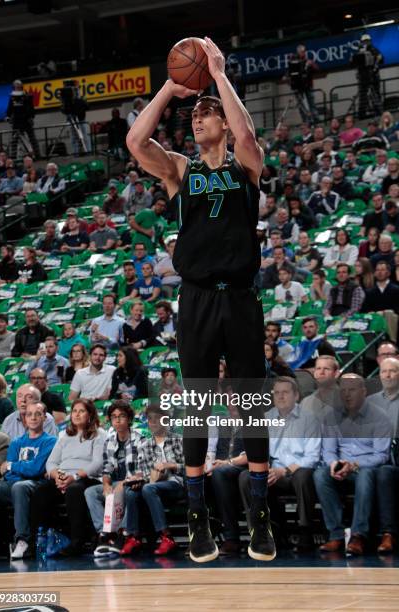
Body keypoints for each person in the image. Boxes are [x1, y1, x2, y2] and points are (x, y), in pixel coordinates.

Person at [127, 36, 275, 563]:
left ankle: (259, 516)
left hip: (239, 297)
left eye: (206, 114)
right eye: (196, 115)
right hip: (195, 299)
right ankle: (197, 518)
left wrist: (217, 75)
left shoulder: (244, 168)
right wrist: (171, 86)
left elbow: (246, 134)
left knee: (251, 405)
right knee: (194, 406)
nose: (198, 120)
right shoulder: (180, 172)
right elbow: (136, 141)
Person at [240, 377, 321, 551]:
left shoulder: (309, 419)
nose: (280, 396)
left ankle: (305, 532)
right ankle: (263, 531)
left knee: (304, 475)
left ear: (296, 395)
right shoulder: (266, 418)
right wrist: (265, 469)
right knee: (247, 477)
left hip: (296, 472)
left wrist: (283, 470)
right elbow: (258, 451)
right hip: (272, 471)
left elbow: (313, 456)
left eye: (285, 392)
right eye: (276, 393)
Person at [314, 374, 391, 555]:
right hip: (341, 468)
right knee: (319, 474)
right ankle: (336, 535)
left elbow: (381, 455)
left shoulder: (380, 417)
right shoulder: (331, 417)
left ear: (363, 392)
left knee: (366, 475)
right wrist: (334, 464)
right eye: (343, 391)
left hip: (365, 468)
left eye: (352, 390)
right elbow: (329, 451)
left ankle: (358, 535)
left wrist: (354, 464)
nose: (347, 395)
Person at [32, 398, 106, 557]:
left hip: (86, 477)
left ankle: (77, 541)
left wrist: (74, 476)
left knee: (74, 490)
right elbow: (51, 462)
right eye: (74, 411)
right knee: (41, 490)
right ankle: (49, 535)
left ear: (90, 414)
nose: (77, 414)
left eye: (82, 411)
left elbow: (97, 463)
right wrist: (57, 476)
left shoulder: (99, 435)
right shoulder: (64, 434)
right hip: (63, 477)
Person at [0, 401, 56, 560]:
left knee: (19, 487)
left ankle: (22, 540)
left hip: (36, 485)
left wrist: (13, 466)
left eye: (37, 414)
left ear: (45, 418)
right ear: (24, 419)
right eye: (29, 414)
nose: (33, 417)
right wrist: (19, 469)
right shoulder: (16, 442)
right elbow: (7, 474)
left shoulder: (50, 441)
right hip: (15, 484)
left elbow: (37, 469)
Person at [85, 401, 144, 558]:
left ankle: (122, 533)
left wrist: (123, 483)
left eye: (122, 416)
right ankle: (104, 533)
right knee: (90, 492)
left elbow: (141, 471)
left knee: (128, 492)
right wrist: (105, 484)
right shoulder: (109, 441)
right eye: (114, 417)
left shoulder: (140, 440)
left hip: (132, 483)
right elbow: (107, 469)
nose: (117, 420)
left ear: (129, 419)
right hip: (115, 484)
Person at [138, 406, 185, 555]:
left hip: (177, 484)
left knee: (148, 489)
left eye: (157, 418)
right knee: (133, 493)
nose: (153, 422)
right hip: (154, 486)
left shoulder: (178, 439)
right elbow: (145, 473)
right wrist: (152, 475)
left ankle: (166, 536)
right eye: (150, 419)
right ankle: (131, 537)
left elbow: (190, 467)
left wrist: (171, 465)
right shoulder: (144, 445)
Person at [367, 358, 399, 553]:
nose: (387, 375)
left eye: (392, 371)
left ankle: (388, 533)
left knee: (385, 473)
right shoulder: (370, 401)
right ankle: (364, 534)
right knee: (371, 473)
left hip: (395, 455)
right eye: (384, 371)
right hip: (374, 455)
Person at [351, 34, 383, 119]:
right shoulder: (358, 52)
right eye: (364, 41)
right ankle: (362, 114)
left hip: (373, 75)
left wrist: (377, 60)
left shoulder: (374, 50)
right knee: (363, 95)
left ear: (370, 41)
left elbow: (381, 59)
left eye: (367, 41)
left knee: (376, 94)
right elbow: (352, 63)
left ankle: (378, 112)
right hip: (363, 77)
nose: (366, 42)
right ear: (361, 42)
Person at [6, 79, 40, 159]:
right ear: (14, 87)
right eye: (16, 86)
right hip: (17, 122)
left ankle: (38, 155)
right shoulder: (12, 97)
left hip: (26, 121)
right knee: (14, 140)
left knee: (32, 139)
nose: (17, 87)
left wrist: (31, 117)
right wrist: (8, 116)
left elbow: (31, 109)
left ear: (21, 86)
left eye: (19, 86)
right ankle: (13, 157)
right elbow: (10, 108)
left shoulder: (27, 96)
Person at [286, 44, 319, 124]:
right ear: (298, 52)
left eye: (304, 51)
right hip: (298, 87)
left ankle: (315, 118)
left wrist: (312, 64)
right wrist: (290, 81)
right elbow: (289, 74)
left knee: (311, 102)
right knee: (301, 105)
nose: (302, 53)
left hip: (308, 86)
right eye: (301, 52)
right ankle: (305, 120)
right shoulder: (293, 63)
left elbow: (317, 69)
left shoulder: (308, 61)